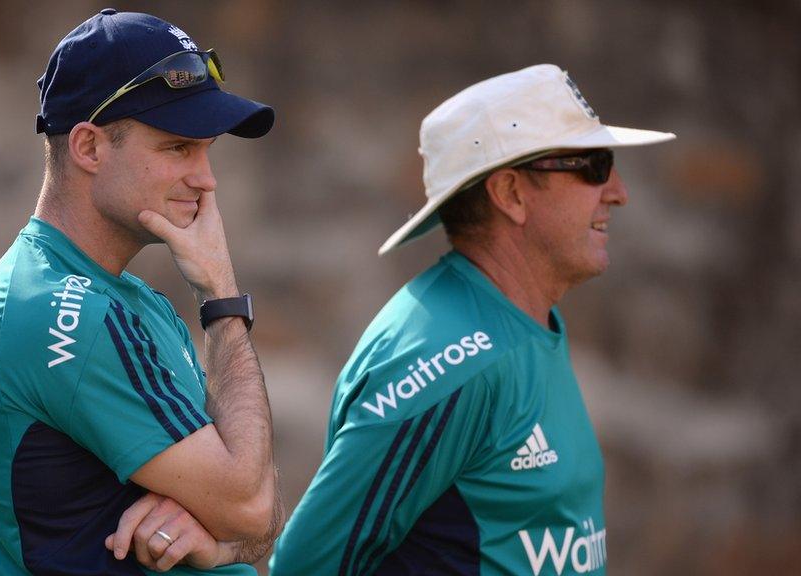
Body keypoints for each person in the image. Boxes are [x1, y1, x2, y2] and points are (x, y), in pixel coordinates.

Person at [269, 64, 675, 576]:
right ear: (510, 194)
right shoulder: (451, 355)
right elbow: (306, 567)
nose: (618, 191)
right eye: (593, 164)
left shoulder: (524, 316)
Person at [0, 10, 282, 575]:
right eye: (178, 147)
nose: (207, 178)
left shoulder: (136, 303)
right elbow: (250, 504)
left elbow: (260, 512)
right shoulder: (61, 309)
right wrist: (222, 299)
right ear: (89, 147)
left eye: (207, 149)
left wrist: (222, 543)